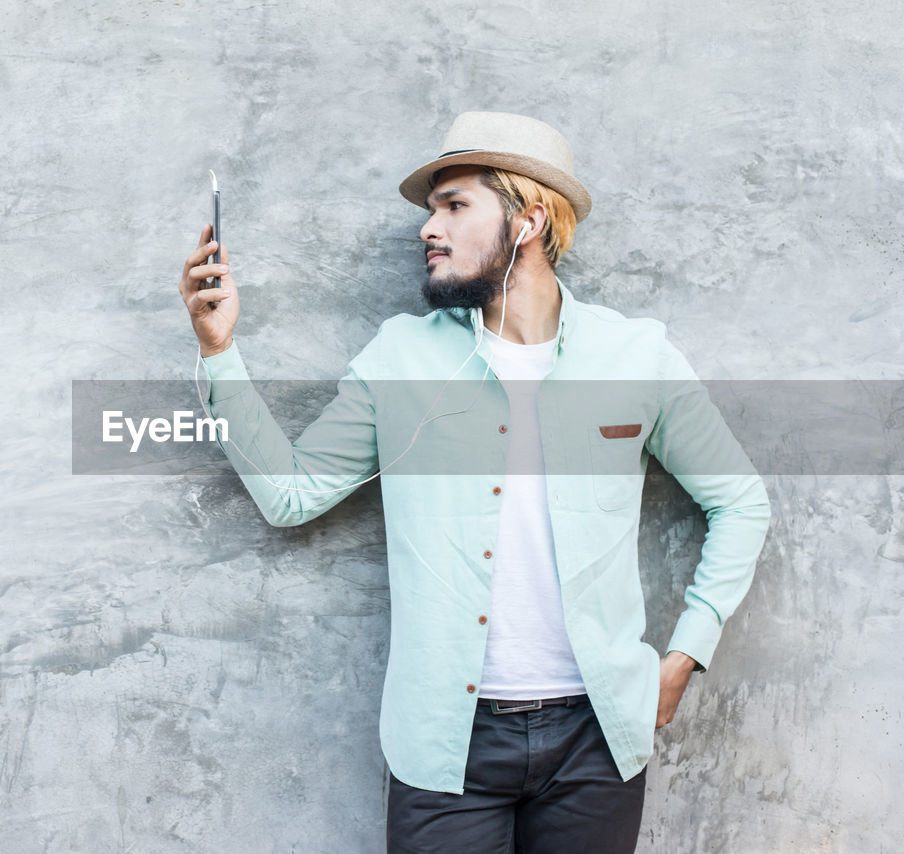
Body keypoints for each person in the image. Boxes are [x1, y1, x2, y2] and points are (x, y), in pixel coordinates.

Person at [176, 111, 771, 853]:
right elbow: (291, 494)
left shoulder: (636, 354)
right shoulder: (401, 359)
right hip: (443, 744)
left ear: (529, 219)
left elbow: (739, 500)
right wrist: (220, 351)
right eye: (432, 209)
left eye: (454, 206)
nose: (429, 228)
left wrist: (685, 655)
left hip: (599, 737)